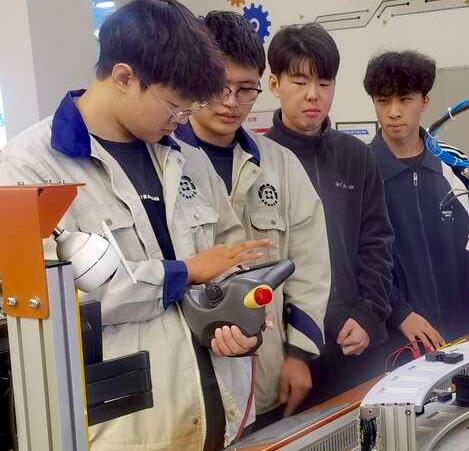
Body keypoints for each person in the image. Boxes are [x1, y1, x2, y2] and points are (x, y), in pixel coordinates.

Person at [0, 1, 269, 449]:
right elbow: (62, 302)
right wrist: (184, 273)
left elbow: (231, 259)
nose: (180, 122)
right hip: (126, 429)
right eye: (174, 106)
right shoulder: (26, 172)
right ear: (124, 77)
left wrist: (242, 322)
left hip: (224, 416)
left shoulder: (187, 160)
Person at [175, 11, 329, 425]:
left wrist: (299, 353)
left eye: (246, 89)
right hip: (194, 385)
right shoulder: (166, 163)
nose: (231, 102)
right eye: (219, 87)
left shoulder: (281, 165)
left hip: (269, 375)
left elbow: (310, 266)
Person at [265, 23, 394, 402]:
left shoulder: (357, 157)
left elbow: (378, 244)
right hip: (295, 357)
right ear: (274, 84)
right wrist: (296, 345)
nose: (313, 94)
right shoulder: (259, 163)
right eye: (299, 81)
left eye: (324, 83)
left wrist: (369, 315)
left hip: (360, 344)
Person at [363, 50, 469, 357]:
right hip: (396, 345)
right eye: (383, 101)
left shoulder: (455, 166)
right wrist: (400, 313)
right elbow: (360, 262)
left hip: (460, 336)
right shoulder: (363, 171)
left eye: (404, 100)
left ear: (424, 101)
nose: (393, 112)